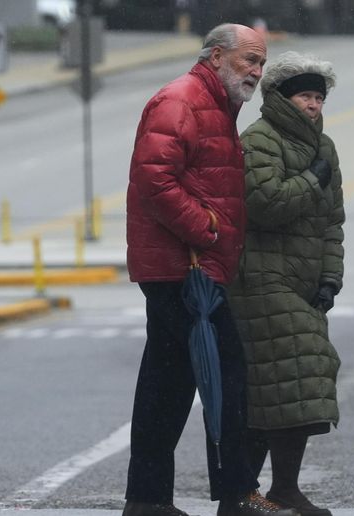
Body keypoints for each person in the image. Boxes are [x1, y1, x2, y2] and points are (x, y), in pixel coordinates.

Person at [123, 23, 298, 516]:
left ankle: (147, 500)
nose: (257, 73)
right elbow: (154, 178)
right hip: (186, 270)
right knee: (227, 378)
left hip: (186, 268)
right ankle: (237, 495)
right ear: (217, 56)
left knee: (167, 385)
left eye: (261, 64)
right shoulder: (182, 99)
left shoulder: (217, 105)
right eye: (249, 61)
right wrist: (207, 228)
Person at [228, 51, 345, 516]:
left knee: (290, 383)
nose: (313, 105)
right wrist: (312, 181)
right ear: (281, 98)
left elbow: (332, 222)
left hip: (303, 280)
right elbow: (266, 203)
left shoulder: (325, 146)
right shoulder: (259, 140)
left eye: (318, 97)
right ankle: (260, 491)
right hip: (260, 279)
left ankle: (275, 490)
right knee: (294, 374)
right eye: (304, 96)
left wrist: (331, 277)